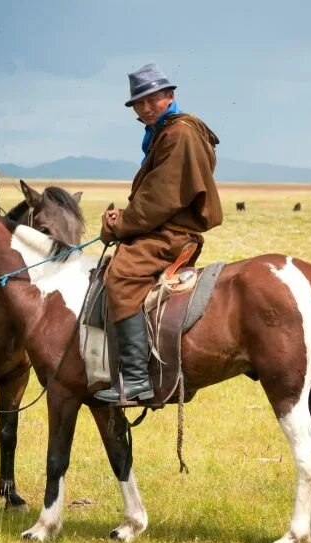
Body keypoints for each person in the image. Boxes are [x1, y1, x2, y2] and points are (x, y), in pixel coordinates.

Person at [94, 63, 223, 403]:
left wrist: (120, 225)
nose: (147, 107)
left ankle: (136, 379)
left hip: (171, 233)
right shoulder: (166, 131)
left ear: (170, 96)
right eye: (140, 102)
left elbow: (161, 197)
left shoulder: (178, 134)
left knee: (121, 275)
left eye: (153, 99)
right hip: (165, 225)